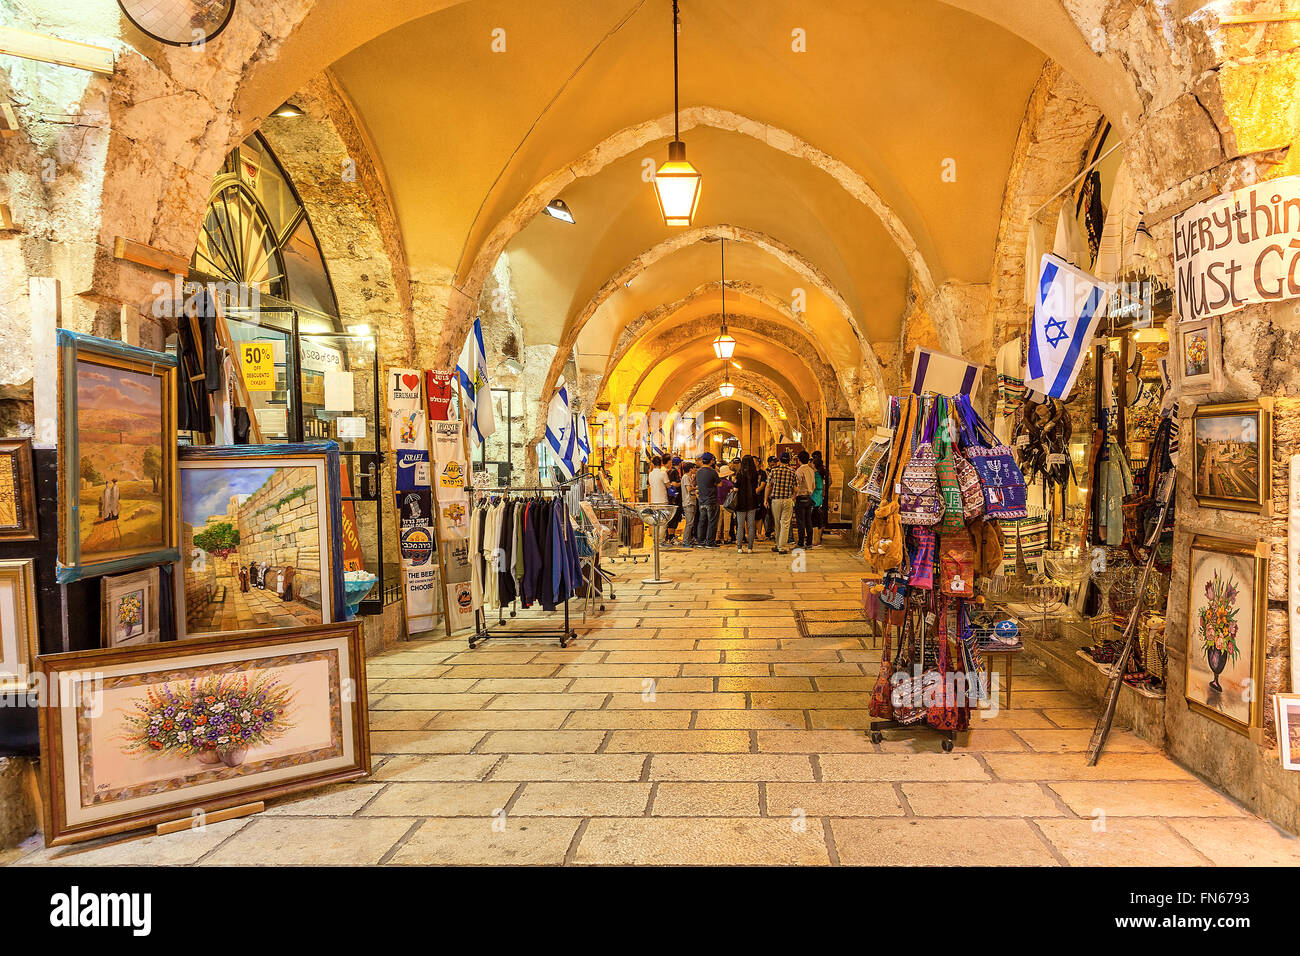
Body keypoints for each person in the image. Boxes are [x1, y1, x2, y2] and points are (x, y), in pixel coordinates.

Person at [766, 452, 797, 553]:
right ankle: (781, 546)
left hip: (776, 500)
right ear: (789, 461)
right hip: (787, 500)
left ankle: (778, 544)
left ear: (779, 460)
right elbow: (796, 488)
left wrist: (765, 499)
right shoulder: (792, 472)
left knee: (777, 523)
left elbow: (768, 486)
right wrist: (793, 497)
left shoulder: (774, 471)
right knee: (785, 523)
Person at [734, 455, 760, 553]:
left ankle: (740, 547)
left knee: (740, 525)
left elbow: (736, 488)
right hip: (752, 502)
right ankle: (750, 548)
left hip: (741, 503)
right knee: (751, 526)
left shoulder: (739, 474)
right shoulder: (755, 474)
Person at [694, 452, 720, 548]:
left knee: (702, 521)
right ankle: (710, 542)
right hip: (711, 500)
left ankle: (701, 541)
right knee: (712, 521)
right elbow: (719, 484)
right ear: (711, 460)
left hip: (702, 500)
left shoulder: (698, 472)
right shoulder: (713, 472)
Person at [794, 450, 816, 549]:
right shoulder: (811, 470)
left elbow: (797, 485)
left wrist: (794, 496)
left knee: (800, 521)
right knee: (808, 521)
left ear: (799, 460)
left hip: (801, 497)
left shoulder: (799, 470)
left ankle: (800, 543)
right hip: (809, 497)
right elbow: (813, 485)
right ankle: (809, 542)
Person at [647, 455, 669, 545]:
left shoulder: (651, 474)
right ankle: (660, 541)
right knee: (663, 522)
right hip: (662, 500)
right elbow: (668, 485)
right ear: (661, 463)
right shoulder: (663, 473)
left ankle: (655, 540)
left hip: (654, 500)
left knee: (655, 521)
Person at [810, 450, 830, 546]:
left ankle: (815, 540)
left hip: (814, 498)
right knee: (819, 519)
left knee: (814, 519)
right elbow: (828, 483)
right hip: (820, 498)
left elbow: (813, 486)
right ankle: (818, 539)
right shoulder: (823, 473)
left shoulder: (815, 475)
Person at [664, 456, 683, 544]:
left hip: (670, 498)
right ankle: (671, 537)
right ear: (679, 464)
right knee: (674, 518)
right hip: (675, 499)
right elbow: (675, 484)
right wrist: (681, 483)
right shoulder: (674, 472)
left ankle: (669, 536)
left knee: (671, 517)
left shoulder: (668, 471)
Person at [715, 466, 735, 545]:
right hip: (727, 505)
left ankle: (717, 537)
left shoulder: (717, 483)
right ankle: (726, 538)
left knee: (718, 521)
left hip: (718, 504)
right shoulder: (729, 483)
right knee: (727, 521)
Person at [680, 461, 697, 548]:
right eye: (694, 468)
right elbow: (689, 489)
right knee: (689, 523)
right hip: (688, 502)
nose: (695, 469)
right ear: (690, 469)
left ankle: (688, 540)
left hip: (691, 501)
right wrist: (697, 487)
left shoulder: (688, 477)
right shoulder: (685, 477)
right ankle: (686, 541)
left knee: (691, 522)